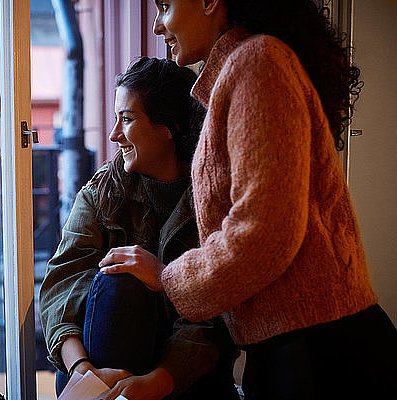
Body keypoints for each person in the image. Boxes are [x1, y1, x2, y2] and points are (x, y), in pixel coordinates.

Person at [99, 1, 397, 399]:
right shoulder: (243, 70)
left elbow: (264, 234)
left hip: (319, 356)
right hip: (294, 349)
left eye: (166, 6)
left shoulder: (259, 63)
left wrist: (167, 276)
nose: (157, 26)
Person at [39, 57, 239, 400]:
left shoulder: (214, 201)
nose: (114, 134)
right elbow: (61, 284)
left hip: (183, 373)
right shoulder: (103, 192)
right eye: (116, 118)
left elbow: (213, 313)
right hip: (96, 366)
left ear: (169, 127)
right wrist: (81, 367)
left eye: (127, 119)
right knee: (120, 281)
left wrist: (162, 379)